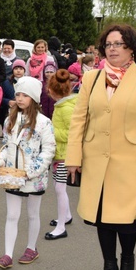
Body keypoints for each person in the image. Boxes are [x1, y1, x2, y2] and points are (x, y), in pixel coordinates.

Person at [66, 24, 136, 270]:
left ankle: (127, 259)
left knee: (126, 221)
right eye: (108, 44)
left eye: (119, 44)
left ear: (132, 48)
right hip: (97, 161)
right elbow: (79, 120)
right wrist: (73, 159)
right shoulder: (91, 79)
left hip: (132, 163)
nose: (112, 49)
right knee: (102, 217)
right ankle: (108, 264)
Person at [0, 77, 55, 269]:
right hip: (13, 176)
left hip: (34, 178)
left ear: (34, 98)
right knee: (12, 215)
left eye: (25, 95)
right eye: (18, 94)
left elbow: (48, 150)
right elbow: (7, 146)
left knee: (33, 214)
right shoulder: (9, 119)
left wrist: (31, 172)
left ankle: (31, 248)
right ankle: (7, 254)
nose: (19, 98)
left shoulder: (44, 123)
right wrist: (0, 161)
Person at [45, 69, 78, 240]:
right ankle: (66, 216)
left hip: (65, 155)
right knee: (59, 187)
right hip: (62, 154)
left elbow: (73, 133)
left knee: (60, 188)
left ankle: (61, 227)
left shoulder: (65, 109)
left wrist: (51, 131)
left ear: (51, 90)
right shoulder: (64, 106)